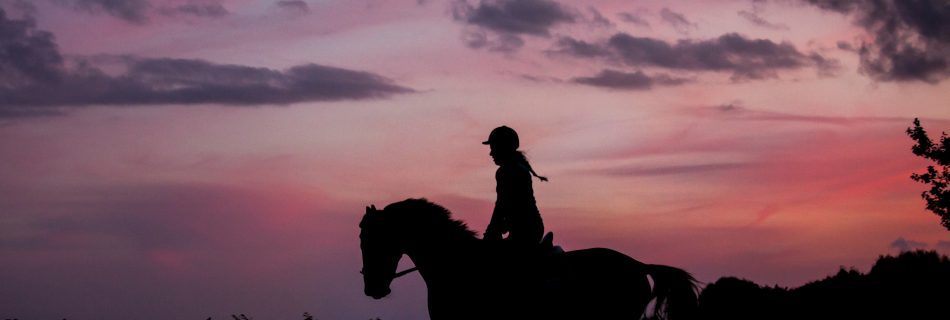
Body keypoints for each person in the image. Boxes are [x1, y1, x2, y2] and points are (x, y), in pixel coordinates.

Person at [482, 126, 547, 248]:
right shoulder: (517, 169)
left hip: (525, 232)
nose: (491, 153)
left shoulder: (506, 172)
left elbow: (501, 205)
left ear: (503, 147)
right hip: (530, 228)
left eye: (493, 148)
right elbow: (513, 205)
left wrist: (491, 231)